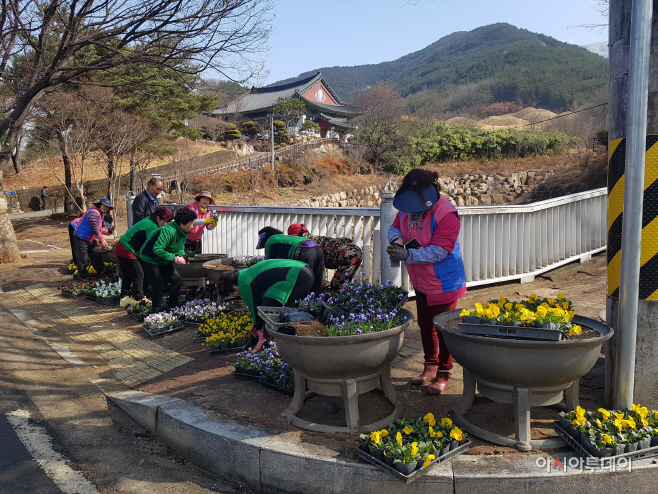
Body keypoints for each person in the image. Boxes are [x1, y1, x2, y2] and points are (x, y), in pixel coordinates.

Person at [386, 169, 466, 395]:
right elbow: (395, 227)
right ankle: (430, 367)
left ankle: (444, 372)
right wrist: (397, 241)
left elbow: (440, 251)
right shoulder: (407, 208)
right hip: (420, 280)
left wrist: (407, 256)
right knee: (425, 325)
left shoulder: (446, 214)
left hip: (444, 281)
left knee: (443, 329)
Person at [216, 259, 314, 352]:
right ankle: (281, 343)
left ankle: (270, 346)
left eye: (232, 294)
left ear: (233, 286)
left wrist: (261, 333)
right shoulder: (246, 274)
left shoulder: (244, 284)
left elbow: (254, 306)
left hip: (298, 276)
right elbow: (258, 303)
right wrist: (256, 322)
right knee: (268, 306)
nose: (236, 295)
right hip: (304, 271)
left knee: (268, 308)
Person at [138, 207, 196, 314]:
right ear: (182, 223)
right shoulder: (168, 230)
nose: (192, 226)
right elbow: (157, 249)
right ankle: (156, 314)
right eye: (190, 223)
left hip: (164, 259)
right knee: (158, 285)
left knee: (176, 279)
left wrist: (181, 256)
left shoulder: (182, 231)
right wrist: (175, 258)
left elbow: (180, 247)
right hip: (150, 259)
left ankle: (172, 307)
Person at [115, 207, 174, 307]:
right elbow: (152, 245)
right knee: (139, 274)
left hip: (123, 247)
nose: (166, 224)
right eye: (165, 221)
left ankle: (124, 298)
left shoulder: (151, 221)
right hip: (127, 249)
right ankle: (139, 299)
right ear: (158, 218)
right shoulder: (151, 226)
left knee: (127, 274)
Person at [287, 223, 363, 290]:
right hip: (353, 251)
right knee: (340, 284)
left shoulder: (307, 245)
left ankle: (335, 305)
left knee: (337, 286)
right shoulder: (312, 238)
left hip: (350, 254)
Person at [256, 226, 324, 296]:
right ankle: (316, 304)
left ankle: (302, 304)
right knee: (317, 282)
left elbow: (270, 264)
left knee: (304, 282)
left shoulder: (270, 241)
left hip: (305, 252)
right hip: (318, 249)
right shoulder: (283, 238)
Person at [72, 198, 113, 278]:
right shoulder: (94, 213)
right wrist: (102, 240)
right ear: (100, 205)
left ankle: (101, 272)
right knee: (82, 259)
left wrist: (107, 233)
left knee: (96, 255)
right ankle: (84, 277)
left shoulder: (100, 214)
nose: (105, 208)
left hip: (90, 239)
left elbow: (99, 228)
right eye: (104, 206)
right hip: (81, 238)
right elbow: (94, 229)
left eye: (107, 207)